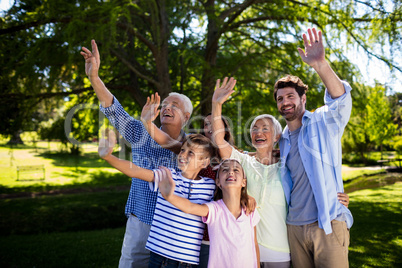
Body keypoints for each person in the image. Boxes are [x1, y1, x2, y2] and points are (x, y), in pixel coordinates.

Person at [80, 40, 193, 267]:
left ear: (187, 117)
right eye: (166, 104)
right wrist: (94, 78)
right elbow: (114, 109)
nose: (168, 108)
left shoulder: (191, 145)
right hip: (141, 220)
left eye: (176, 106)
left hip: (174, 225)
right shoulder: (140, 130)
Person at [274, 28, 353, 267]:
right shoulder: (282, 140)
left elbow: (340, 100)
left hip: (327, 224)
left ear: (302, 99)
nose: (285, 102)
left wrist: (320, 65)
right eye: (279, 99)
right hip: (294, 228)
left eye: (290, 96)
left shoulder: (322, 122)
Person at [99, 132, 217, 267]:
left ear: (205, 162)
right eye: (183, 150)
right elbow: (135, 171)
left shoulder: (210, 185)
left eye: (191, 153)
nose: (183, 155)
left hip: (188, 262)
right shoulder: (167, 175)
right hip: (161, 258)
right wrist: (109, 157)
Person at [211, 77, 291, 267]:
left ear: (277, 137)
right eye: (254, 128)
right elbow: (219, 140)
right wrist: (216, 104)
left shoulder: (287, 166)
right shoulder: (243, 161)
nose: (258, 132)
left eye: (265, 129)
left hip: (279, 250)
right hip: (244, 248)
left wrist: (336, 198)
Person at [159, 158, 260, 268]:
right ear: (218, 182)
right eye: (225, 170)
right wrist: (169, 196)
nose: (230, 172)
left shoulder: (250, 211)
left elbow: (254, 244)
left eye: (236, 170)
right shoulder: (215, 210)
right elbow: (190, 207)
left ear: (244, 182)